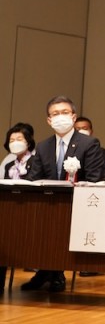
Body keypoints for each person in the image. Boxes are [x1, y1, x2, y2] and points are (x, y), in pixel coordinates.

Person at [24, 96, 105, 291]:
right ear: (48, 120)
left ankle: (56, 273)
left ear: (73, 116)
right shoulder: (43, 146)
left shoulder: (89, 143)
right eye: (55, 114)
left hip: (79, 206)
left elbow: (95, 178)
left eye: (64, 113)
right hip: (49, 205)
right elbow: (33, 178)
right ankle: (45, 269)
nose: (59, 117)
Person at [1, 123, 36, 291]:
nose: (14, 142)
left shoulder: (36, 161)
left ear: (28, 142)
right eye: (11, 139)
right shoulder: (9, 165)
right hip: (10, 209)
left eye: (19, 139)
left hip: (31, 208)